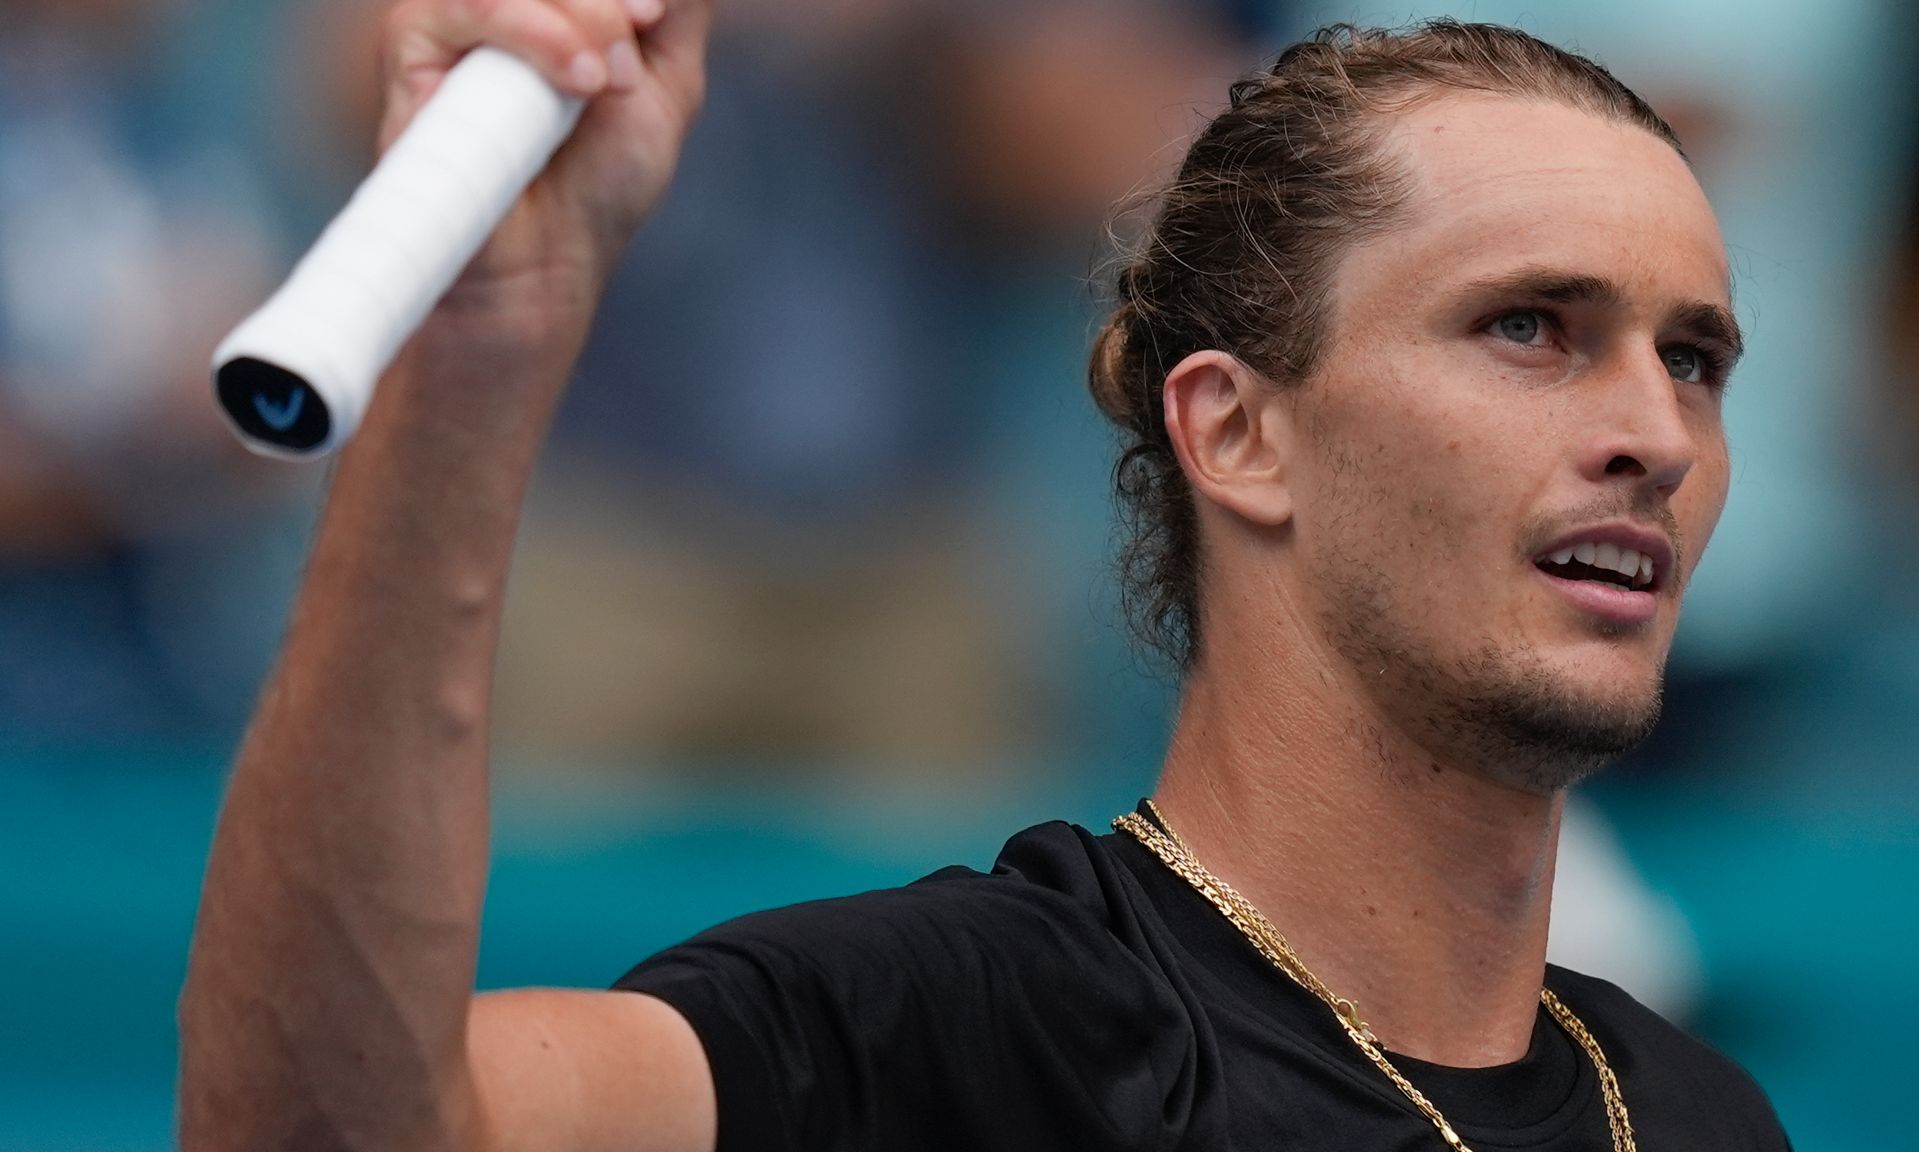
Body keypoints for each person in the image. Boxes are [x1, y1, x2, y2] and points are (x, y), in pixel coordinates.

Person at [175, 2, 1790, 1149]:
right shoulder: (946, 1028)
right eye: (1530, 327)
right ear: (1237, 434)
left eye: (1696, 358)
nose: (1655, 428)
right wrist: (477, 347)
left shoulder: (1702, 1117)